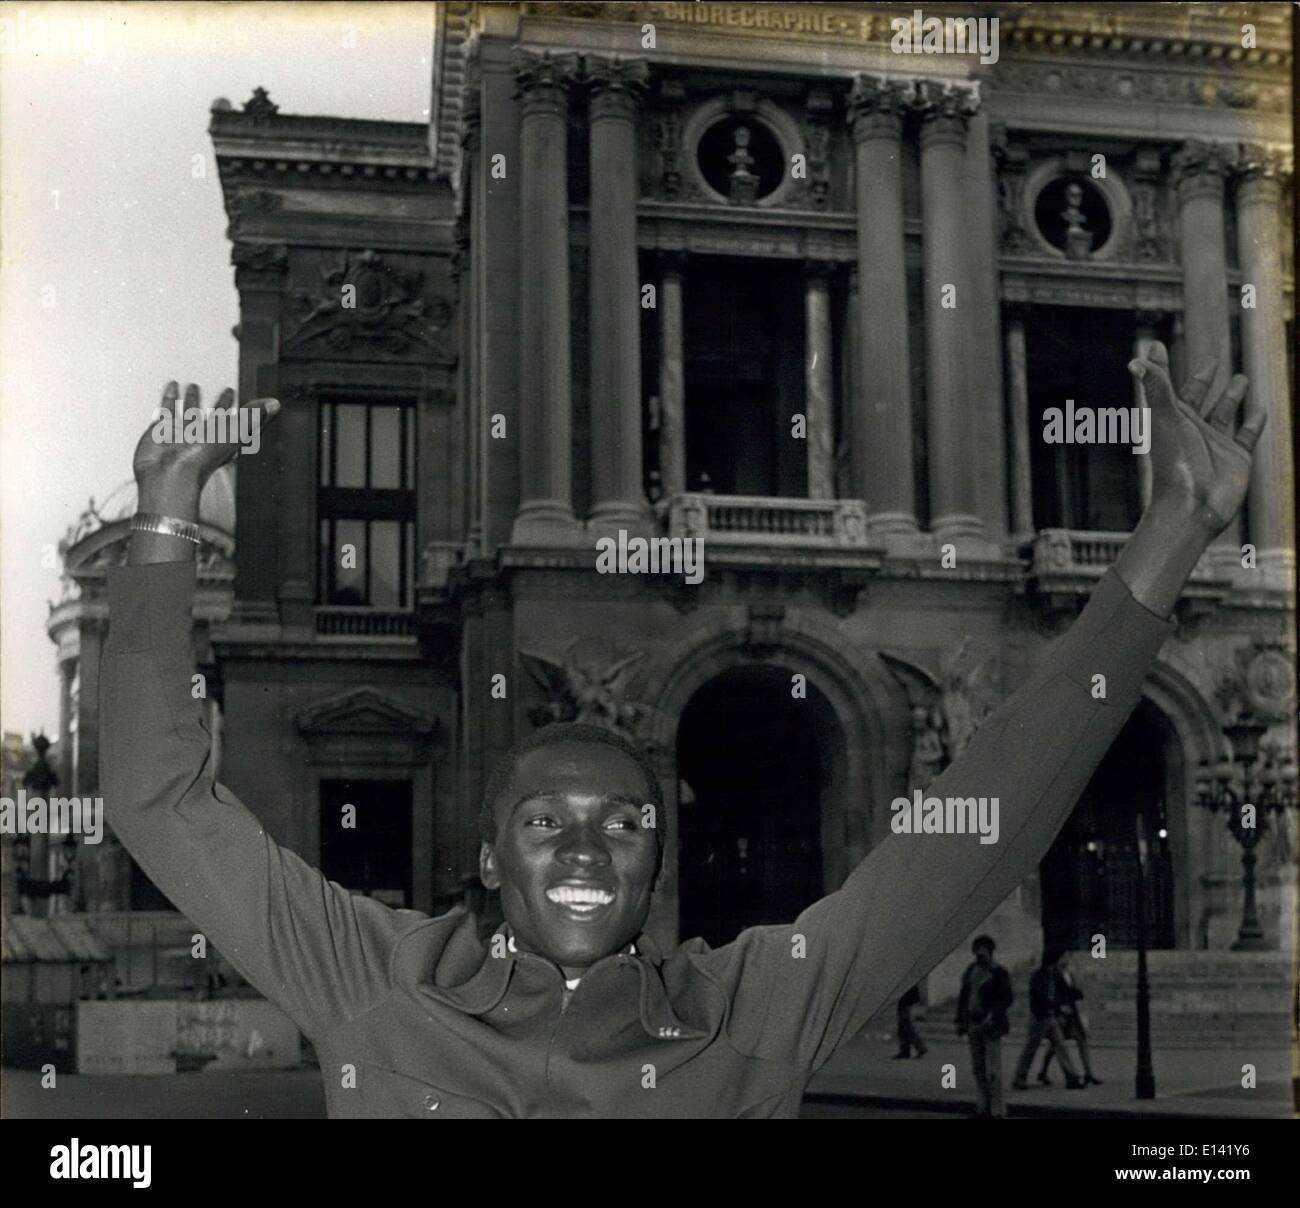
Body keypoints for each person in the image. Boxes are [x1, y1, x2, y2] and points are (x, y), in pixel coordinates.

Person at [101, 342, 1264, 1116]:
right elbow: (159, 799)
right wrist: (161, 526)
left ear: (659, 856)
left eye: (623, 823)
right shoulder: (369, 969)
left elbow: (983, 830)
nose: (583, 848)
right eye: (546, 819)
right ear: (490, 852)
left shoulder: (753, 1003)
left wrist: (1170, 532)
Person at [955, 935, 1014, 1117]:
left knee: (993, 1070)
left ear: (990, 952)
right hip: (973, 1021)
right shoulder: (971, 971)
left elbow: (1006, 998)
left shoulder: (999, 973)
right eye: (978, 952)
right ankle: (983, 1108)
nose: (980, 956)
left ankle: (997, 1111)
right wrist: (960, 1020)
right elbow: (963, 997)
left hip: (991, 1024)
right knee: (978, 1068)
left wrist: (994, 1014)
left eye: (984, 952)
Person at [1013, 948, 1084, 1090]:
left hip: (1049, 1016)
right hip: (1040, 1017)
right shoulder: (1039, 976)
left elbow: (1065, 990)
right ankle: (1019, 1077)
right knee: (1031, 1048)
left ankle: (1071, 1077)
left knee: (1061, 1046)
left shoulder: (1053, 974)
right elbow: (1040, 999)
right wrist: (1059, 1007)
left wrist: (1076, 993)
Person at [1037, 950, 1102, 1086]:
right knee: (1055, 1045)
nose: (1067, 959)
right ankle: (1043, 1071)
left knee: (1081, 1039)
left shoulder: (1068, 973)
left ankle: (1088, 1073)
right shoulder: (1053, 974)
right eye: (1065, 956)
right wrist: (1059, 1007)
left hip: (1072, 1013)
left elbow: (1072, 991)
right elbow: (1054, 993)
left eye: (1068, 956)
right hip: (1061, 1013)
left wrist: (1078, 991)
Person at [894, 982, 927, 1058]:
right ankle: (905, 1050)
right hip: (906, 1000)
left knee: (906, 1026)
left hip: (906, 1000)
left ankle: (919, 1047)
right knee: (904, 1026)